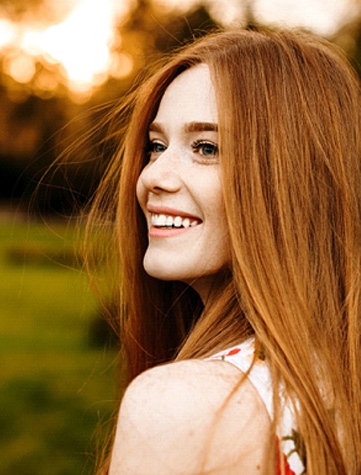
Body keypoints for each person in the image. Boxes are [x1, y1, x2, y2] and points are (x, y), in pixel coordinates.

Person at [87, 28, 361, 474]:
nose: (153, 176)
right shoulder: (338, 384)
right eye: (156, 146)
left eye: (206, 147)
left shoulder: (182, 406)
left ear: (293, 182)